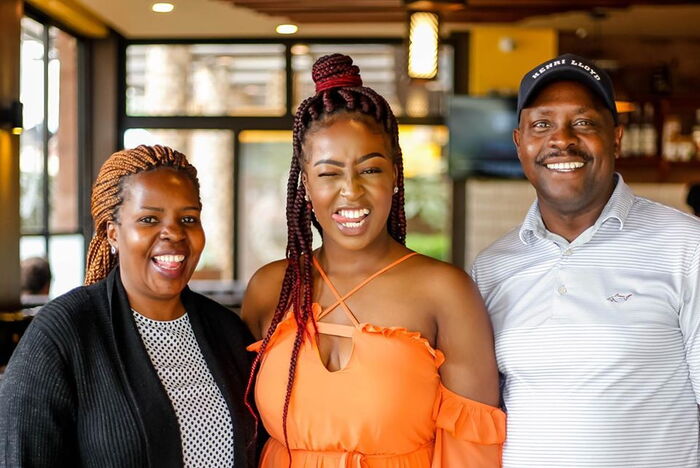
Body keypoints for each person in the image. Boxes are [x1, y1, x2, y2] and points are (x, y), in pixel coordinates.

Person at [242, 54, 505, 468]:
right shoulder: (271, 288)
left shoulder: (444, 291)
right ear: (305, 184)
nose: (351, 191)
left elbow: (470, 451)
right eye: (329, 173)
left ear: (395, 178)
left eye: (370, 170)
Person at [472, 53, 700, 468]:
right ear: (519, 143)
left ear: (615, 137)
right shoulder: (491, 268)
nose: (562, 139)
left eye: (583, 122)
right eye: (542, 124)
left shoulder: (686, 246)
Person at [0, 145, 256, 467]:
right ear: (113, 234)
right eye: (149, 219)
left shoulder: (227, 331)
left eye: (188, 218)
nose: (174, 233)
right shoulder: (64, 334)